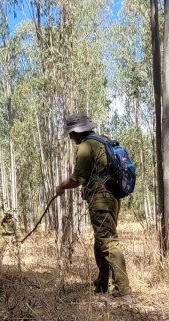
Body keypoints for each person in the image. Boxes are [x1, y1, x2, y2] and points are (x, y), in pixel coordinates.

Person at [55, 113, 132, 299]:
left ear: (79, 131)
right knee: (101, 241)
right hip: (112, 198)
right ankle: (102, 284)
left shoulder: (86, 146)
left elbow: (77, 179)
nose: (71, 137)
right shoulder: (102, 140)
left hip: (100, 199)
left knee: (108, 241)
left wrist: (61, 186)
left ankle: (123, 290)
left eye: (72, 133)